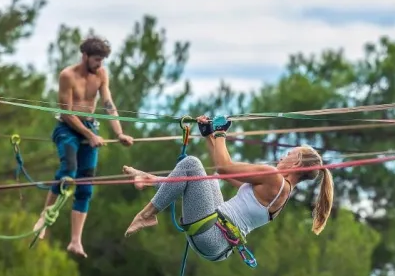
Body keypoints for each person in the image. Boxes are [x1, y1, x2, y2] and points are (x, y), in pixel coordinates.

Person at [123, 114, 334, 256]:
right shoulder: (281, 191)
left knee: (192, 163)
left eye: (289, 154)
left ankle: (147, 215)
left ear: (296, 163)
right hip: (217, 241)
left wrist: (222, 133)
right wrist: (210, 136)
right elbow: (224, 175)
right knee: (207, 178)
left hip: (213, 234)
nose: (282, 156)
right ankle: (151, 180)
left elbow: (225, 167)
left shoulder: (274, 178)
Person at [34, 35, 134, 258]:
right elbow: (68, 114)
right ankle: (44, 219)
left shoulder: (101, 75)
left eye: (102, 61)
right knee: (68, 171)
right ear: (85, 56)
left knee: (85, 185)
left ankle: (76, 241)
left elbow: (108, 105)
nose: (100, 65)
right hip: (67, 128)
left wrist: (119, 133)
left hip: (90, 128)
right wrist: (89, 135)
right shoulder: (67, 76)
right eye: (97, 59)